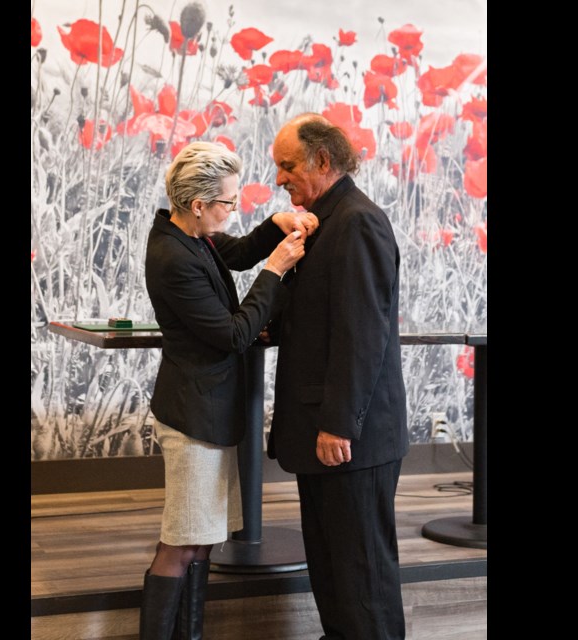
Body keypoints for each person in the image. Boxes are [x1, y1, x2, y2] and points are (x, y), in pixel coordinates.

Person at [141, 141, 318, 640]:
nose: (233, 210)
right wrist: (277, 269)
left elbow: (233, 251)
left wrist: (272, 229)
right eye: (228, 203)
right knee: (181, 542)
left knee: (200, 541)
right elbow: (235, 334)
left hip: (210, 412)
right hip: (193, 417)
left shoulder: (190, 236)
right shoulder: (174, 257)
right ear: (199, 205)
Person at [268, 114, 409, 639]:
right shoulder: (326, 219)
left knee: (362, 584)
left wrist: (338, 424)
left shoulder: (357, 221)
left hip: (351, 440)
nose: (280, 179)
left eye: (287, 166)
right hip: (325, 435)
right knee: (334, 578)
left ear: (322, 162)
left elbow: (361, 335)